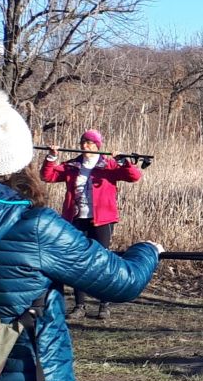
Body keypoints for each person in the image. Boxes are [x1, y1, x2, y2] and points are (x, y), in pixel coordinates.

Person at [0, 86, 161, 381]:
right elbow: (124, 281)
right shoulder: (38, 225)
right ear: (22, 157)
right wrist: (147, 250)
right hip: (27, 379)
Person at [41, 129, 144, 320]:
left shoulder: (109, 164)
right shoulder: (72, 165)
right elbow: (47, 176)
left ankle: (104, 304)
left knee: (103, 261)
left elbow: (134, 176)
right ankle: (80, 305)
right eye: (83, 142)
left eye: (90, 143)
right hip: (76, 219)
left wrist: (123, 161)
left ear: (98, 146)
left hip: (102, 219)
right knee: (78, 261)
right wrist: (51, 157)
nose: (85, 146)